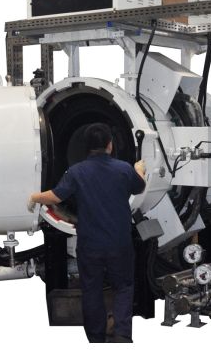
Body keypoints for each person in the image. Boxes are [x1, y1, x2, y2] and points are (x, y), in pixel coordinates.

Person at [28, 123, 146, 343]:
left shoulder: (76, 172)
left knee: (91, 290)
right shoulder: (123, 169)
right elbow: (140, 187)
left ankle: (95, 337)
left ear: (86, 146)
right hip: (119, 243)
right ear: (110, 144)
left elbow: (56, 196)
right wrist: (139, 169)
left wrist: (35, 197)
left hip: (90, 244)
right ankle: (122, 334)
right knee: (123, 287)